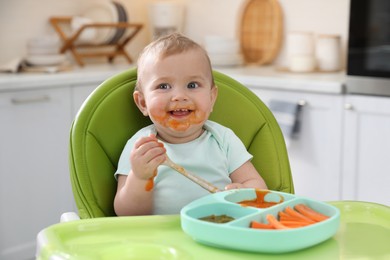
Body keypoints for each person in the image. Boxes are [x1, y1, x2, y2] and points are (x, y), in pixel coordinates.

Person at [114, 33, 267, 216]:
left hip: (220, 229)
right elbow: (127, 214)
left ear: (211, 98)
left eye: (192, 85)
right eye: (163, 86)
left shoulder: (223, 139)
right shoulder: (141, 147)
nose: (179, 96)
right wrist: (139, 177)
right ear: (143, 103)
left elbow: (257, 186)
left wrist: (243, 192)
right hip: (162, 238)